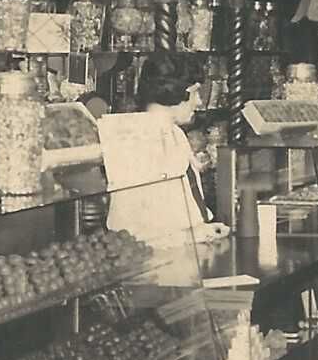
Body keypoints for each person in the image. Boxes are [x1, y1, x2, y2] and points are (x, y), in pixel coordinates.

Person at [95, 52, 223, 265]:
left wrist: (204, 229)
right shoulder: (132, 139)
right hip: (150, 266)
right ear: (175, 93)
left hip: (186, 258)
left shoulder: (176, 134)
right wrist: (188, 236)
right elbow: (127, 228)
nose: (199, 101)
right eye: (195, 93)